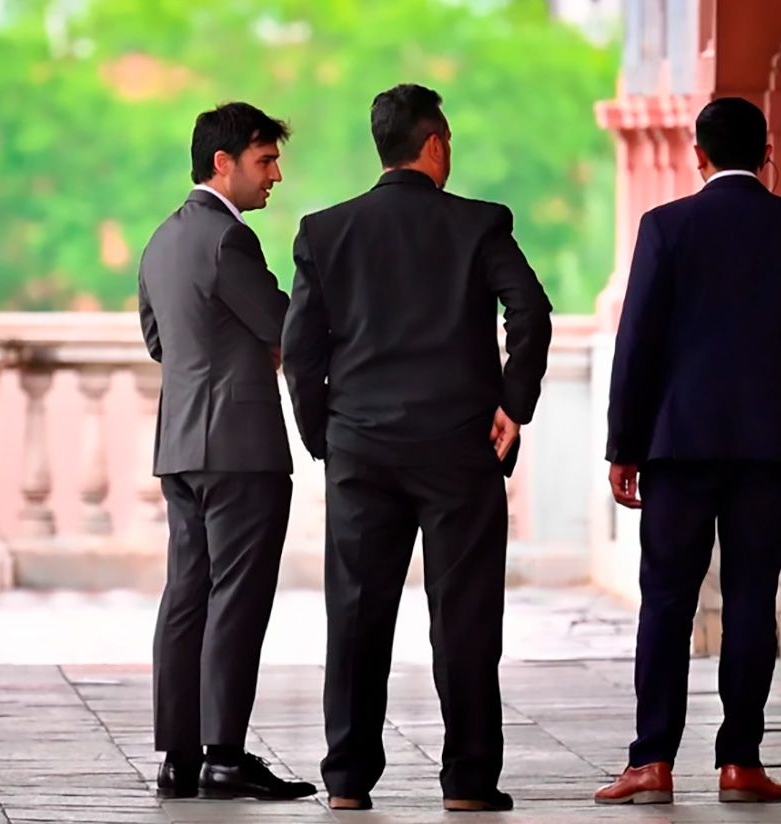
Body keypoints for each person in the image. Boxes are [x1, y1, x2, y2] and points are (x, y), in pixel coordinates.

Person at [282, 83, 552, 812]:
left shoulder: (325, 231)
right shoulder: (477, 224)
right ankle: (467, 783)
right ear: (434, 146)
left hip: (360, 449)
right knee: (464, 618)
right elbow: (529, 310)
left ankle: (346, 782)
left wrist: (325, 438)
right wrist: (513, 405)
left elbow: (300, 351)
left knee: (357, 614)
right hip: (459, 447)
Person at [594, 97, 781, 805]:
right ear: (767, 155)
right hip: (769, 444)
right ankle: (740, 761)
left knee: (668, 600)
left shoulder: (666, 227)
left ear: (697, 153)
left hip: (678, 445)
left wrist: (624, 446)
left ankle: (651, 762)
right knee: (748, 598)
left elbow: (636, 344)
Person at [138, 101, 315, 801]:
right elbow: (285, 326)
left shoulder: (160, 240)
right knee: (236, 599)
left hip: (179, 443)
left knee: (187, 597)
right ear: (224, 162)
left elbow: (161, 343)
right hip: (240, 447)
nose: (274, 176)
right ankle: (224, 756)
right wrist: (262, 351)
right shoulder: (227, 240)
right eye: (264, 161)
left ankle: (180, 759)